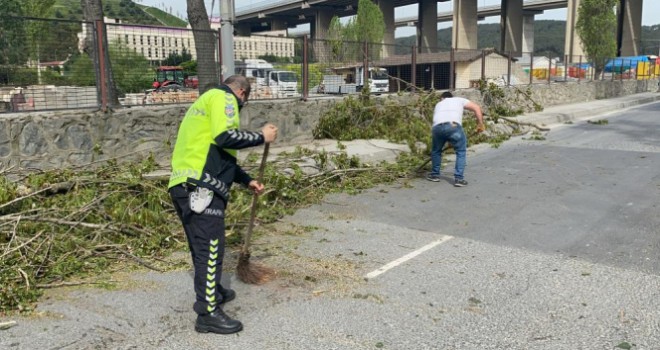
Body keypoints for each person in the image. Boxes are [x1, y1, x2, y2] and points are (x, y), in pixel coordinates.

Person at [168, 75, 278, 334]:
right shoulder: (225, 98)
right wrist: (261, 136)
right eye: (244, 102)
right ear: (242, 93)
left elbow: (221, 154)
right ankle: (207, 313)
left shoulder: (205, 102)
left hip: (185, 184)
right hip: (201, 187)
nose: (239, 108)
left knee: (201, 247)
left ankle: (213, 291)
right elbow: (225, 137)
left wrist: (247, 180)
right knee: (211, 248)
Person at [426, 91, 484, 187]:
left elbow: (441, 122)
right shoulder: (459, 100)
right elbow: (476, 108)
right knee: (461, 151)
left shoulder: (438, 104)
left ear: (442, 98)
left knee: (436, 151)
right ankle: (459, 179)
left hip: (437, 128)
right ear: (451, 97)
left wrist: (448, 139)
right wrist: (480, 124)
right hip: (453, 126)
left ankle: (434, 175)